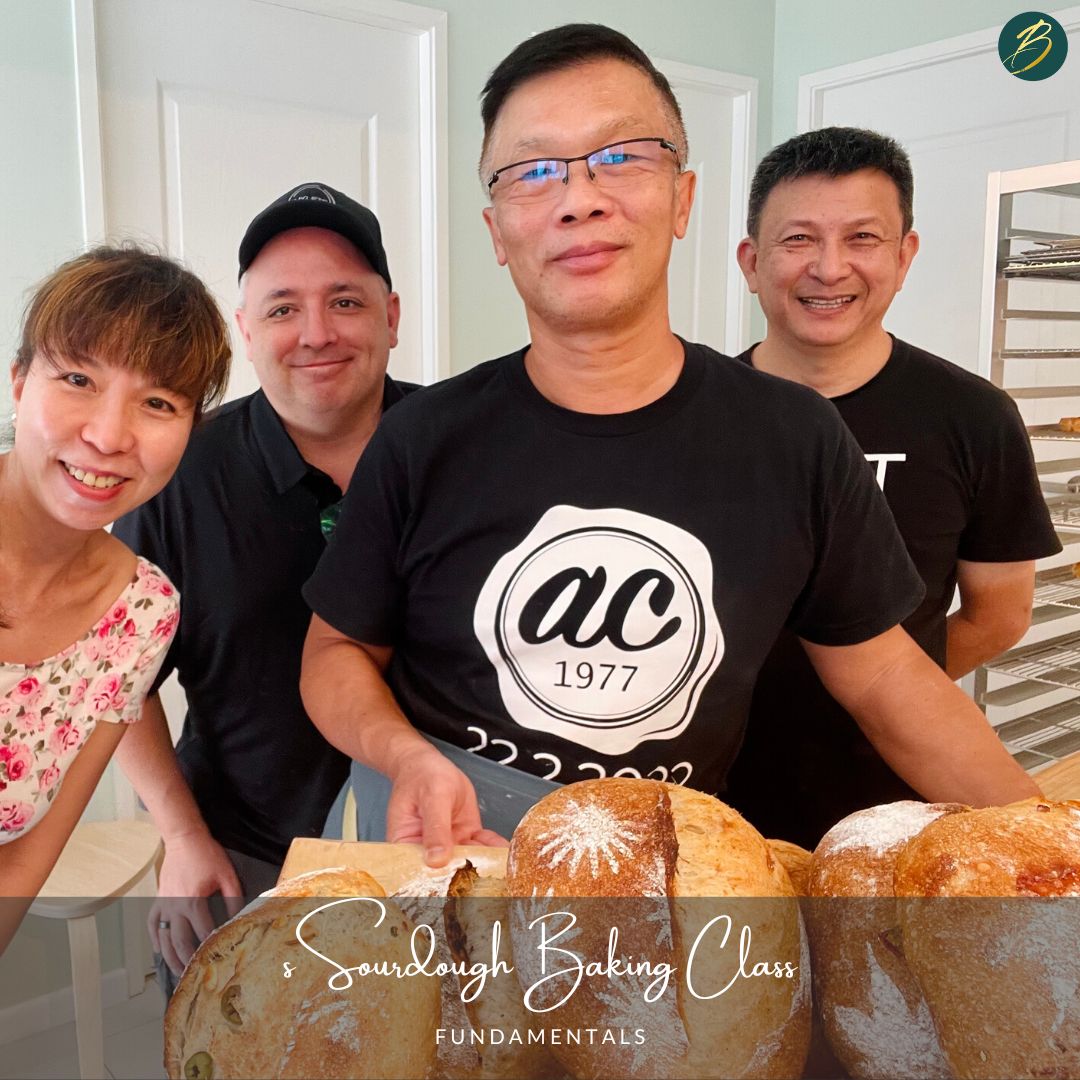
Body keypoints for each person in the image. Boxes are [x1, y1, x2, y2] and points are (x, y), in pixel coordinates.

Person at [300, 24, 1040, 868]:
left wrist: (1046, 842)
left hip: (662, 876)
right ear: (497, 231)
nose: (579, 198)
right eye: (534, 171)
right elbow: (335, 652)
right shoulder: (424, 437)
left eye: (620, 156)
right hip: (440, 853)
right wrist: (405, 757)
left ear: (684, 200)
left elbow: (886, 678)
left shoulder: (795, 438)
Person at [722, 127, 1060, 848]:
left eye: (863, 238)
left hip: (891, 804)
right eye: (798, 239)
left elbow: (1000, 615)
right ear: (751, 262)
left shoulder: (973, 417)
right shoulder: (697, 415)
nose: (829, 268)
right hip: (710, 794)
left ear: (904, 257)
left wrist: (884, 696)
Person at [112, 183, 413, 981]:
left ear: (391, 317)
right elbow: (119, 681)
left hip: (428, 858)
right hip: (241, 857)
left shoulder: (455, 447)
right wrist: (181, 838)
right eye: (283, 309)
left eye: (345, 301)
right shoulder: (177, 474)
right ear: (246, 331)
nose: (316, 333)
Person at [0, 245, 230, 954]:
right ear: (19, 381)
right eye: (77, 378)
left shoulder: (137, 613)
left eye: (157, 403)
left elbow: (23, 864)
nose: (107, 436)